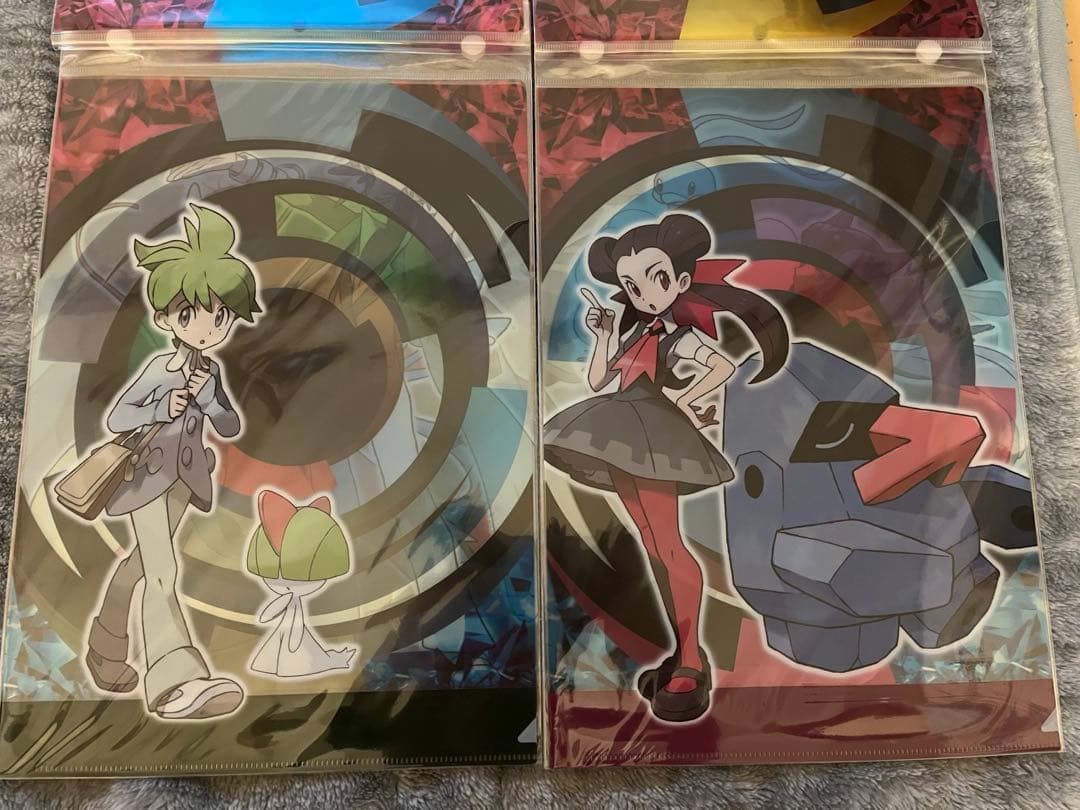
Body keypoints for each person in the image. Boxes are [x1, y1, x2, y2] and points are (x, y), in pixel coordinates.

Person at [544, 213, 789, 722]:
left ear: (680, 281)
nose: (644, 294)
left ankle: (693, 661)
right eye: (632, 286)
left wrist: (684, 399)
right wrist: (604, 333)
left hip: (655, 437)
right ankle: (682, 651)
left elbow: (722, 366)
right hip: (619, 433)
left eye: (656, 279)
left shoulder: (680, 337)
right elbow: (598, 381)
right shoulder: (632, 331)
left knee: (670, 545)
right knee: (654, 545)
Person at [83, 203, 261, 720]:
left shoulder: (210, 371)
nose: (208, 327)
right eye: (192, 316)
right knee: (162, 571)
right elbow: (119, 416)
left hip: (185, 481)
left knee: (139, 565)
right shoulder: (161, 367)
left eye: (220, 316)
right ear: (165, 319)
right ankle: (176, 681)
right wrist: (163, 406)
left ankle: (105, 647)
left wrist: (208, 399)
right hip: (146, 479)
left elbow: (229, 424)